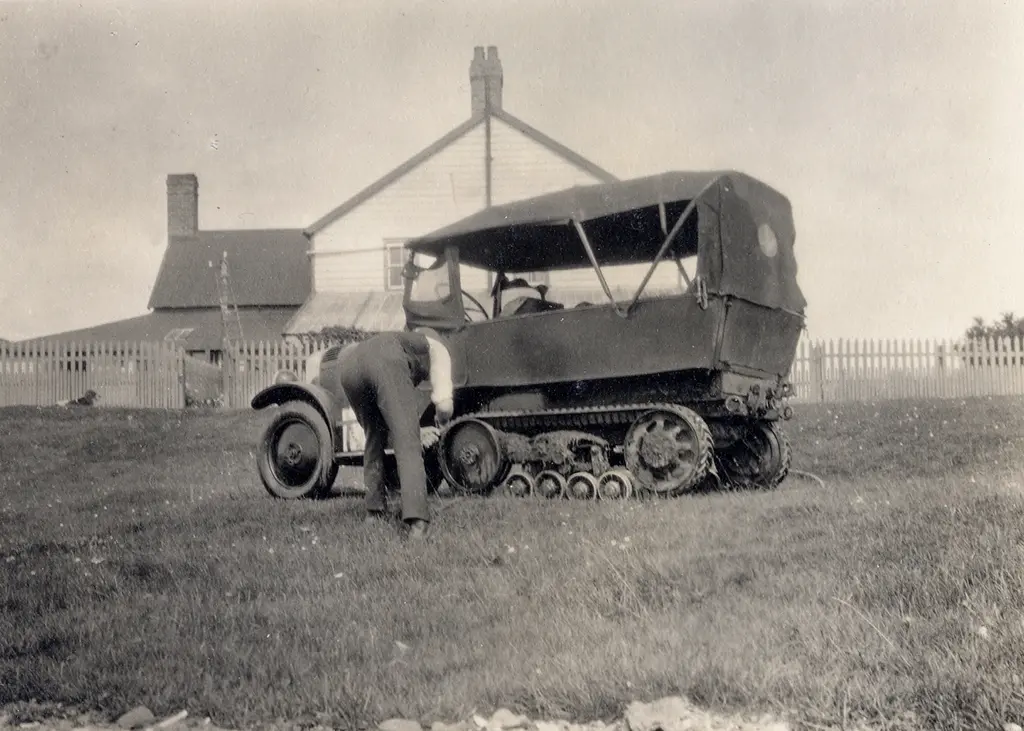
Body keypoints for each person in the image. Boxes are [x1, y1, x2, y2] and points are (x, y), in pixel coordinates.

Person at [334, 328, 454, 539]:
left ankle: (374, 512)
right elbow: (444, 406)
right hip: (384, 361)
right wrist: (442, 424)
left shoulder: (402, 340)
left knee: (374, 438)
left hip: (350, 368)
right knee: (408, 444)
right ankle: (417, 522)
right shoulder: (439, 350)